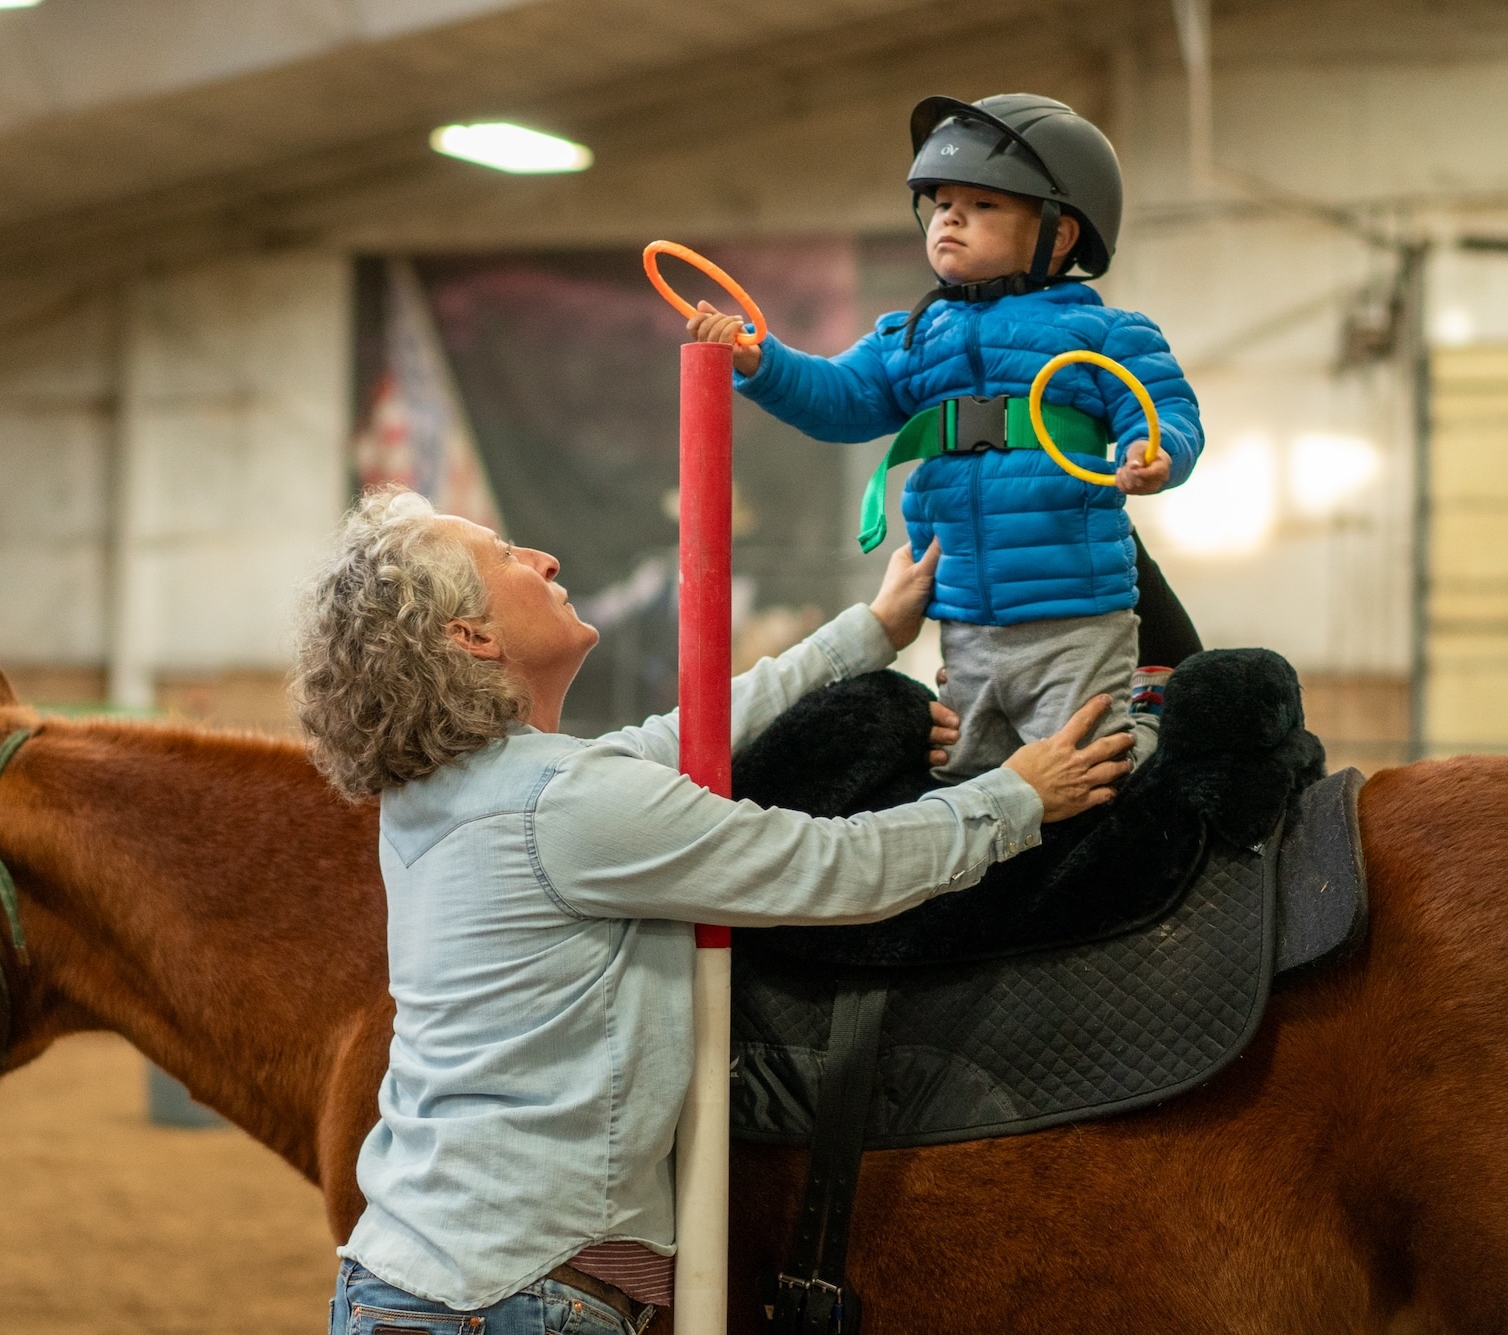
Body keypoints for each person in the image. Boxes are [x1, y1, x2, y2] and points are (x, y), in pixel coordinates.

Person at [291, 487, 1133, 1331]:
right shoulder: (564, 805)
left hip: (407, 1278)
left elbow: (687, 731)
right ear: (470, 636)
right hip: (506, 1296)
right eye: (507, 556)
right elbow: (830, 866)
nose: (544, 560)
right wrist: (1015, 798)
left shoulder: (444, 795)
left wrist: (872, 630)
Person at [689, 93, 1205, 783]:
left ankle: (1150, 727)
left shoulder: (1106, 333)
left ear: (1058, 235)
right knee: (965, 776)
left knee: (1091, 771)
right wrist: (763, 362)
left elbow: (1165, 405)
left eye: (984, 204)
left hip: (1075, 613)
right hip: (964, 623)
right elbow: (839, 399)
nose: (951, 217)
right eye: (941, 204)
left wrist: (1156, 450)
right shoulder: (909, 339)